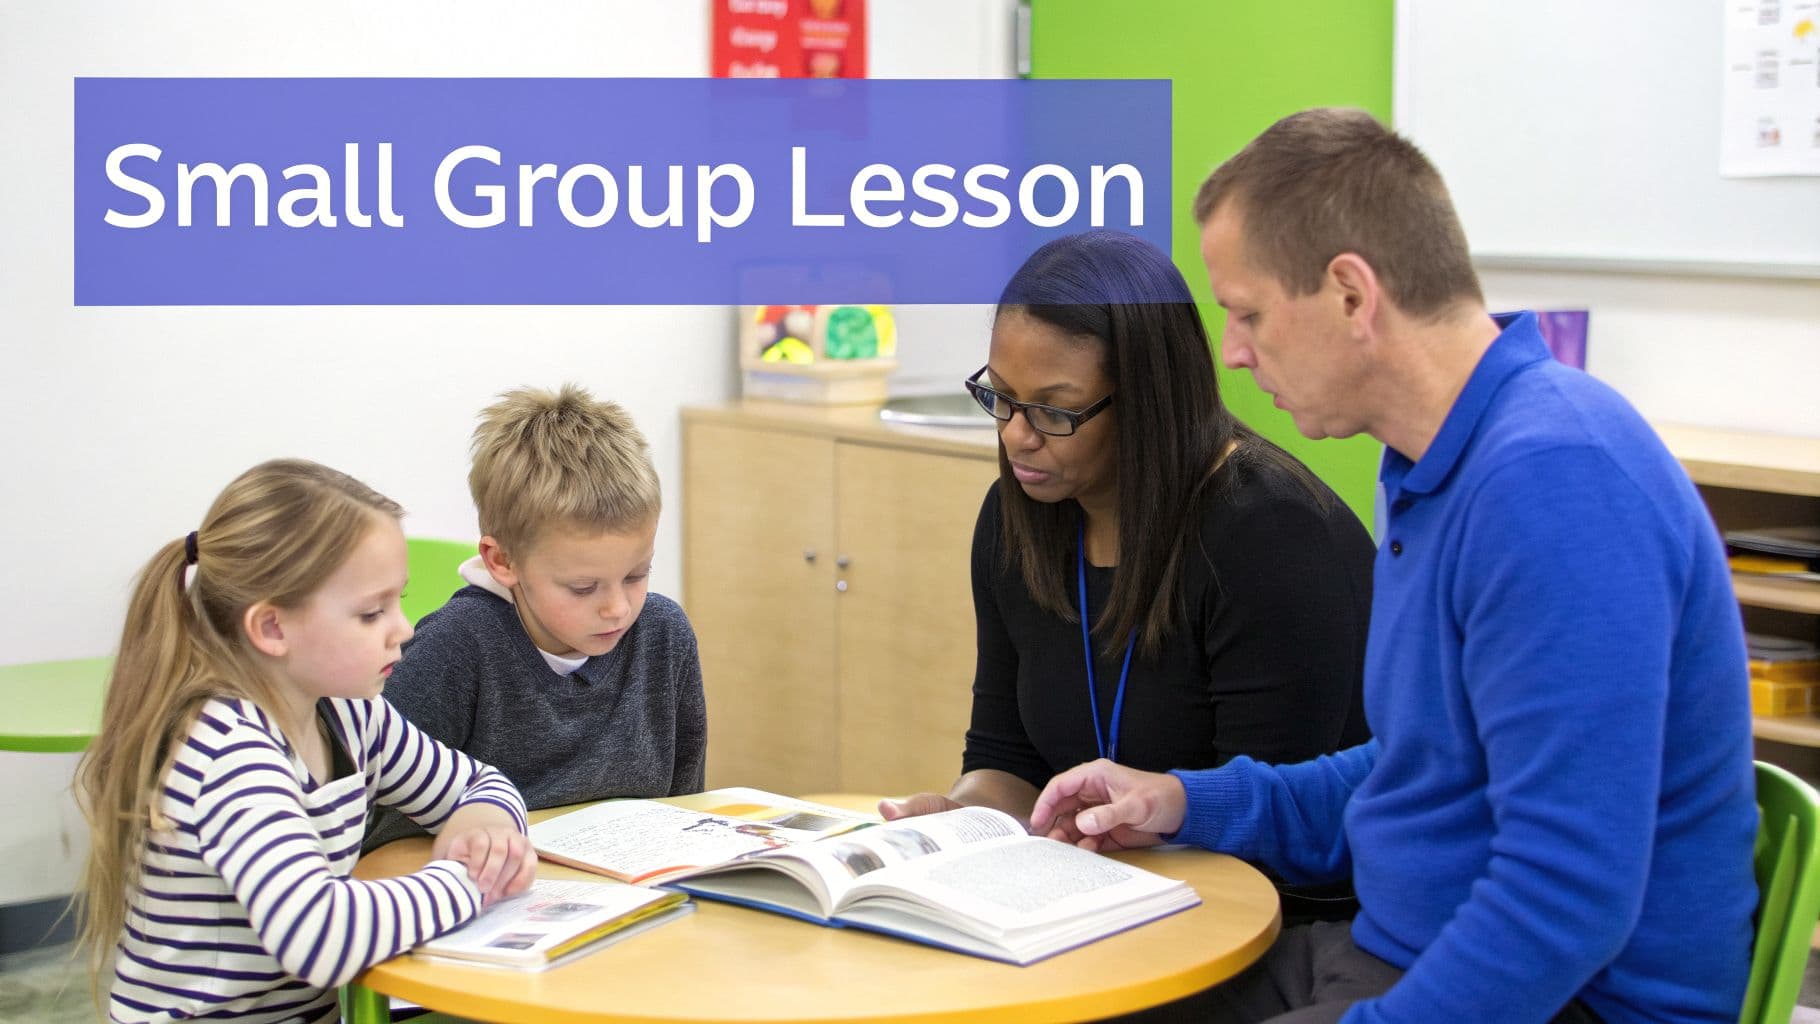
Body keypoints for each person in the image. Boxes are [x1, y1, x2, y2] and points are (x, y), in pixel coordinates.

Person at [1031, 108, 1756, 1023]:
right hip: (1399, 953)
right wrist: (1181, 801)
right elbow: (1420, 770)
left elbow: (1564, 902)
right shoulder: (1431, 466)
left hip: (1567, 1002)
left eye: (1249, 313)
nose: (1235, 353)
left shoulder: (1553, 482)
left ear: (1349, 294)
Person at [881, 230, 1375, 830]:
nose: (1017, 434)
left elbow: (1274, 821)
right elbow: (1006, 756)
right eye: (1001, 397)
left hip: (1281, 906)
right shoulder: (1015, 519)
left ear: (1148, 401)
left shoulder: (1268, 536)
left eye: (1054, 410)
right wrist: (956, 817)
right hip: (1105, 885)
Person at [74, 459, 534, 1024]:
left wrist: (483, 820)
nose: (406, 629)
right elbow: (319, 935)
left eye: (399, 601)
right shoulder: (229, 752)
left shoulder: (350, 713)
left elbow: (479, 781)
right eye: (371, 613)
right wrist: (469, 882)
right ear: (272, 628)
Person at [366, 383, 705, 851]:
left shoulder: (664, 635)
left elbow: (686, 811)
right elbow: (381, 839)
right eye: (583, 587)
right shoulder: (454, 650)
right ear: (502, 562)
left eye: (636, 574)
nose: (618, 608)